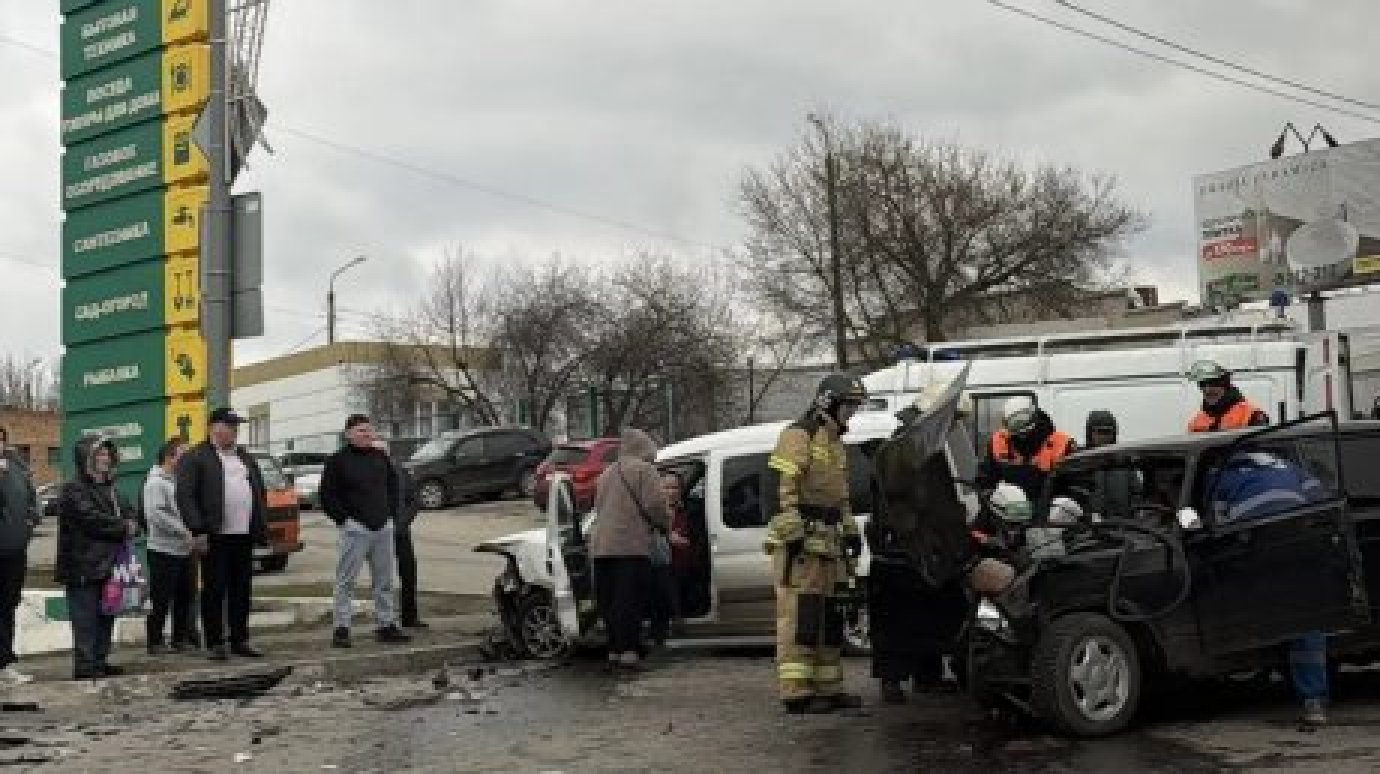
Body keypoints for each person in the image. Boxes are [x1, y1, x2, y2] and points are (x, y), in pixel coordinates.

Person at [764, 374, 867, 714]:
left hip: (830, 543)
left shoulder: (835, 441)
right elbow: (779, 486)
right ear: (828, 403)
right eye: (848, 407)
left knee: (831, 617)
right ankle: (795, 692)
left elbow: (841, 497)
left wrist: (850, 530)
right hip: (803, 547)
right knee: (801, 616)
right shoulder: (800, 434)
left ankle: (828, 687)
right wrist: (794, 533)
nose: (851, 414)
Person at [1207, 450, 1331, 725]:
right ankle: (1314, 701)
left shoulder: (1219, 476)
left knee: (1268, 615)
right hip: (1301, 543)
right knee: (1306, 621)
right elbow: (1322, 499)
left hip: (1260, 549)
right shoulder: (1286, 465)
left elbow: (1215, 527)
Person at [176, 408, 270, 661]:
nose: (234, 430)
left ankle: (240, 639)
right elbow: (186, 496)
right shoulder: (196, 457)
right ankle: (215, 641)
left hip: (243, 534)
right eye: (229, 425)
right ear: (214, 428)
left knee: (242, 589)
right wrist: (198, 529)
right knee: (215, 589)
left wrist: (260, 526)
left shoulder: (245, 458)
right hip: (214, 535)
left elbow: (258, 492)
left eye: (236, 426)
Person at [320, 415, 410, 648]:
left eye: (369, 431)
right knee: (345, 581)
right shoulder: (337, 461)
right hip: (355, 529)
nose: (366, 435)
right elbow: (327, 496)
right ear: (348, 434)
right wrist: (344, 520)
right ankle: (341, 628)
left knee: (384, 581)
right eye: (361, 431)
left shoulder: (380, 457)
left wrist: (390, 516)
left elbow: (392, 486)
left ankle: (386, 624)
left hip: (382, 528)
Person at [55, 436, 138, 680]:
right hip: (83, 566)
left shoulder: (112, 488)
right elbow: (91, 520)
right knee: (85, 619)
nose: (105, 458)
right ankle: (85, 666)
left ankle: (99, 661)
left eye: (106, 454)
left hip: (110, 564)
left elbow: (131, 514)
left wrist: (132, 525)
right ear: (86, 459)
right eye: (99, 454)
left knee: (106, 614)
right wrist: (124, 527)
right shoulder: (73, 488)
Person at [589, 428, 670, 672]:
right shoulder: (645, 471)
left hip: (602, 548)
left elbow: (599, 509)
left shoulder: (605, 474)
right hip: (630, 546)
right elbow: (655, 504)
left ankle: (614, 650)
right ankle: (629, 652)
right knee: (630, 600)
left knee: (611, 602)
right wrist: (665, 523)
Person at [142, 438, 198, 655]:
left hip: (185, 548)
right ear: (170, 457)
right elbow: (155, 514)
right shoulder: (156, 483)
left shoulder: (180, 481)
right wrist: (182, 530)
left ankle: (180, 637)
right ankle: (155, 641)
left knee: (185, 594)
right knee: (161, 596)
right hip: (163, 549)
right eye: (183, 455)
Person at [979, 400, 1076, 501]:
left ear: (1034, 418)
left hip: (1050, 509)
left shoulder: (1061, 443)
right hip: (1009, 510)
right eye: (1015, 425)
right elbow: (986, 480)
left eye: (1026, 431)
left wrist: (1063, 505)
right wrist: (988, 496)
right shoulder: (998, 443)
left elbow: (1074, 485)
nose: (1023, 435)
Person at [0, 426, 37, 686]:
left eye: (1, 441)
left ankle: (5, 663)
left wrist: (30, 521)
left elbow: (31, 500)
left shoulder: (16, 469)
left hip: (14, 550)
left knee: (8, 606)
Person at [383, 441, 426, 630]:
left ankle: (410, 617)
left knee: (408, 572)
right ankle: (385, 621)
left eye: (383, 451)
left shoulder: (400, 472)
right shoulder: (368, 476)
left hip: (401, 531)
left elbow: (414, 500)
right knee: (382, 578)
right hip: (378, 532)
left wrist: (403, 522)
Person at [646, 471, 688, 647]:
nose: (671, 492)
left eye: (675, 487)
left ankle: (675, 617)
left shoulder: (688, 510)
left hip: (683, 564)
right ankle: (669, 623)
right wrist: (668, 537)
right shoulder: (654, 512)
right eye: (667, 487)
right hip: (662, 565)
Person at [1082, 410, 1141, 521]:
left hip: (1122, 527)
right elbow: (1073, 498)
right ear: (1090, 433)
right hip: (1088, 528)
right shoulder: (1081, 461)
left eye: (1108, 432)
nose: (1104, 437)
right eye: (1099, 432)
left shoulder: (1124, 461)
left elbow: (1136, 493)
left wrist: (1134, 517)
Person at [1187, 360, 1270, 432]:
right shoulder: (1195, 423)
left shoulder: (1252, 415)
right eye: (1202, 384)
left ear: (1225, 385)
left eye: (1213, 384)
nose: (1207, 390)